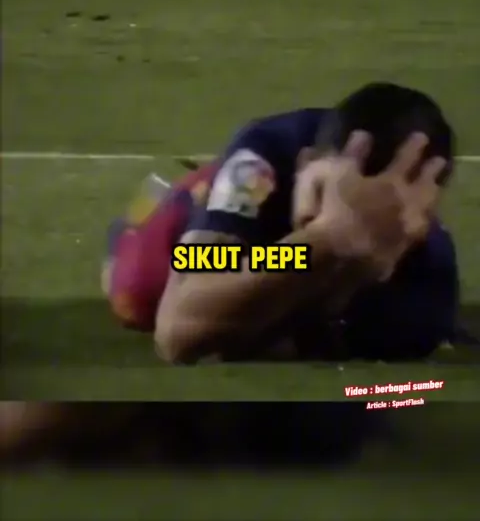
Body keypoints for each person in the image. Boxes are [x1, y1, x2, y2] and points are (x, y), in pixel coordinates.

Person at [104, 83, 459, 364]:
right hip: (240, 226)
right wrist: (325, 241)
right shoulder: (267, 153)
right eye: (322, 195)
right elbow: (177, 330)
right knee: (134, 288)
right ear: (304, 162)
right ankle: (186, 192)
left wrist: (329, 262)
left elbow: (245, 341)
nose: (322, 218)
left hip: (256, 260)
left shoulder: (424, 300)